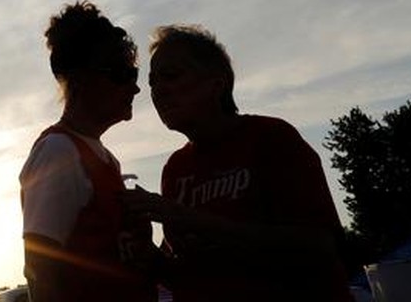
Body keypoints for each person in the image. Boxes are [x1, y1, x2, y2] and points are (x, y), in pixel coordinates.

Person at [123, 24, 352, 301]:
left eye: (170, 76)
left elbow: (321, 247)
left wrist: (192, 220)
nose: (158, 90)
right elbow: (194, 276)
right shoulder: (175, 168)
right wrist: (151, 258)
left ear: (217, 84)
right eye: (152, 82)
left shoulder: (271, 139)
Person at [19, 0, 156, 302]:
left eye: (133, 74)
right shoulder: (59, 153)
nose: (134, 88)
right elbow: (40, 269)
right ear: (81, 79)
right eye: (121, 74)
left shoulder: (106, 159)